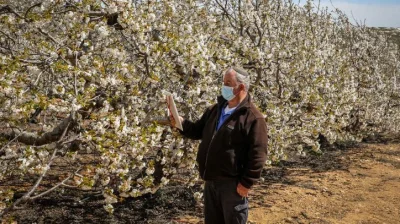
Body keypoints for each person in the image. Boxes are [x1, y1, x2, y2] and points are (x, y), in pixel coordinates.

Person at [171, 66, 268, 224]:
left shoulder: (253, 118)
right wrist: (181, 123)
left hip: (232, 185)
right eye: (223, 82)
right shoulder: (216, 110)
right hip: (211, 182)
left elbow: (258, 155)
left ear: (241, 87)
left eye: (228, 83)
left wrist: (246, 184)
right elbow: (197, 130)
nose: (224, 86)